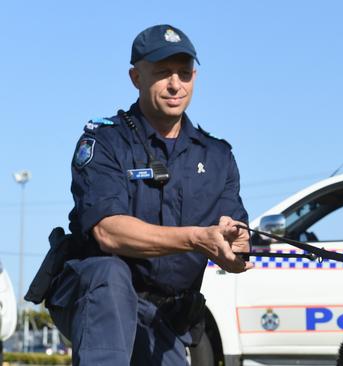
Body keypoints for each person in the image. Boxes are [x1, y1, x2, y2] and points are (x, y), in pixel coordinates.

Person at [45, 24, 252, 365]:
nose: (175, 84)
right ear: (135, 77)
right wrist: (197, 238)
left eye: (184, 74)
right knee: (110, 274)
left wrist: (236, 245)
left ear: (195, 77)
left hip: (164, 316)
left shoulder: (217, 157)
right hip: (100, 299)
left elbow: (233, 234)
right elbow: (108, 231)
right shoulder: (105, 142)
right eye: (163, 73)